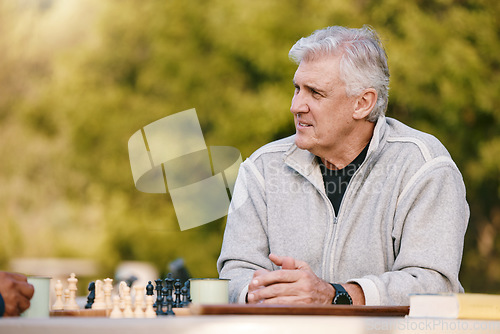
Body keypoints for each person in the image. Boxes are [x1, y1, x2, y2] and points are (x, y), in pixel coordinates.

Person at [217, 25, 469, 306]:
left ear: (362, 103)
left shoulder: (424, 166)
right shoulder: (261, 168)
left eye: (315, 93)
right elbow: (235, 273)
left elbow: (433, 283)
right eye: (297, 89)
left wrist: (335, 295)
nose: (296, 106)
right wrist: (260, 294)